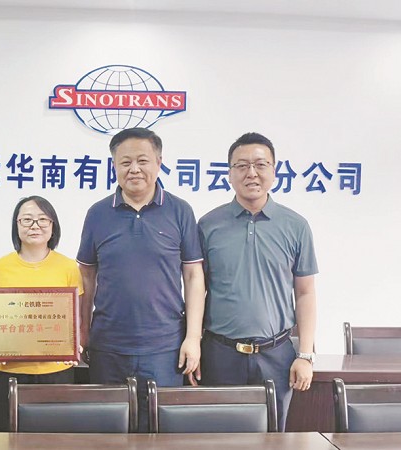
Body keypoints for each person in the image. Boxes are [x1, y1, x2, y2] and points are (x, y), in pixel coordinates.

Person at [77, 127, 205, 432]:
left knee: (160, 433)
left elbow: (193, 276)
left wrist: (193, 338)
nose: (134, 169)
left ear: (159, 163)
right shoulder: (97, 214)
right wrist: (81, 331)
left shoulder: (180, 211)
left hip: (165, 347)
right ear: (114, 166)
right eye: (125, 162)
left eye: (143, 160)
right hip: (108, 346)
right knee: (107, 431)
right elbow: (86, 276)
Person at [198, 132, 318, 431]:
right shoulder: (208, 225)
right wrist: (194, 344)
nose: (251, 173)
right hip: (220, 353)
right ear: (229, 174)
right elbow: (196, 289)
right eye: (241, 165)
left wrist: (305, 355)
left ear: (274, 171)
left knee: (273, 437)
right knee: (217, 437)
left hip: (277, 355)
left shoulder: (296, 226)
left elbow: (305, 293)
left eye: (260, 164)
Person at [0, 195, 84, 431]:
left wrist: (73, 344)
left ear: (53, 225)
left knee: (52, 440)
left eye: (42, 219)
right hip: (7, 372)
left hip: (55, 371)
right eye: (26, 220)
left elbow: (75, 315)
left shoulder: (69, 267)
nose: (35, 226)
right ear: (16, 226)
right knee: (3, 440)